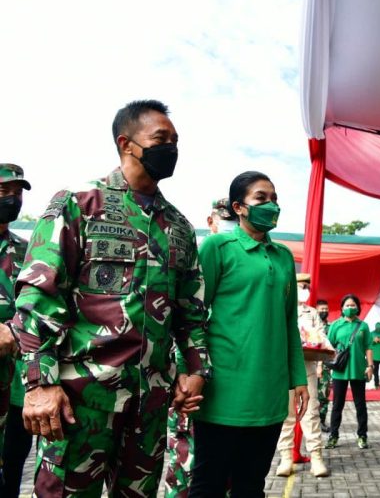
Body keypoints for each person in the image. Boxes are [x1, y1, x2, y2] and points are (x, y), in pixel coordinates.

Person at [9, 100, 211, 497]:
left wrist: (194, 368)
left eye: (175, 141)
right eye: (160, 139)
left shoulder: (180, 228)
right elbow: (38, 299)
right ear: (127, 144)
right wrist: (38, 385)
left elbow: (192, 311)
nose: (171, 148)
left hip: (149, 406)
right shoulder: (79, 206)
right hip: (81, 402)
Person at [188, 171, 308, 497]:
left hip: (268, 393)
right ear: (239, 207)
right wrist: (192, 370)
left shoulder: (283, 257)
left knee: (252, 486)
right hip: (223, 391)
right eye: (261, 198)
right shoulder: (218, 247)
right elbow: (192, 313)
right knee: (208, 485)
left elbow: (288, 323)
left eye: (274, 198)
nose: (271, 205)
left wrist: (298, 379)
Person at [164, 197, 238, 498]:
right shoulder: (191, 260)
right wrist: (183, 373)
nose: (231, 225)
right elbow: (177, 321)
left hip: (227, 386)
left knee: (226, 475)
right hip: (190, 384)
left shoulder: (240, 263)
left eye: (235, 218)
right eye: (226, 218)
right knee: (186, 473)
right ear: (211, 221)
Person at [275, 273, 330, 478]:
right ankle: (286, 457)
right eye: (300, 286)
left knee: (311, 411)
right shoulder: (280, 309)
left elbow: (321, 336)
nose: (304, 289)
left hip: (306, 365)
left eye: (307, 286)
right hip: (283, 366)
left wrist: (313, 339)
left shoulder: (313, 313)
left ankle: (316, 456)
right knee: (286, 414)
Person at [0, 164, 32, 497]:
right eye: (3, 192)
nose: (12, 199)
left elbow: (40, 309)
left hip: (18, 386)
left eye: (17, 193)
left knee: (12, 469)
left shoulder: (27, 251)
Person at [325, 294, 372, 450]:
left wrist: (370, 366)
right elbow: (328, 345)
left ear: (358, 307)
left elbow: (368, 347)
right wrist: (324, 364)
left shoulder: (363, 326)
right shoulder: (336, 325)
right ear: (342, 308)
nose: (350, 308)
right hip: (340, 370)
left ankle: (362, 436)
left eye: (353, 305)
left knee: (360, 405)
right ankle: (333, 436)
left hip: (358, 370)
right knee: (337, 405)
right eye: (347, 305)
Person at [315, 299, 333, 432]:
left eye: (326, 310)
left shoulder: (331, 327)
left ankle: (321, 421)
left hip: (326, 368)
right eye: (321, 310)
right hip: (311, 365)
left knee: (323, 396)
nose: (324, 312)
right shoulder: (311, 326)